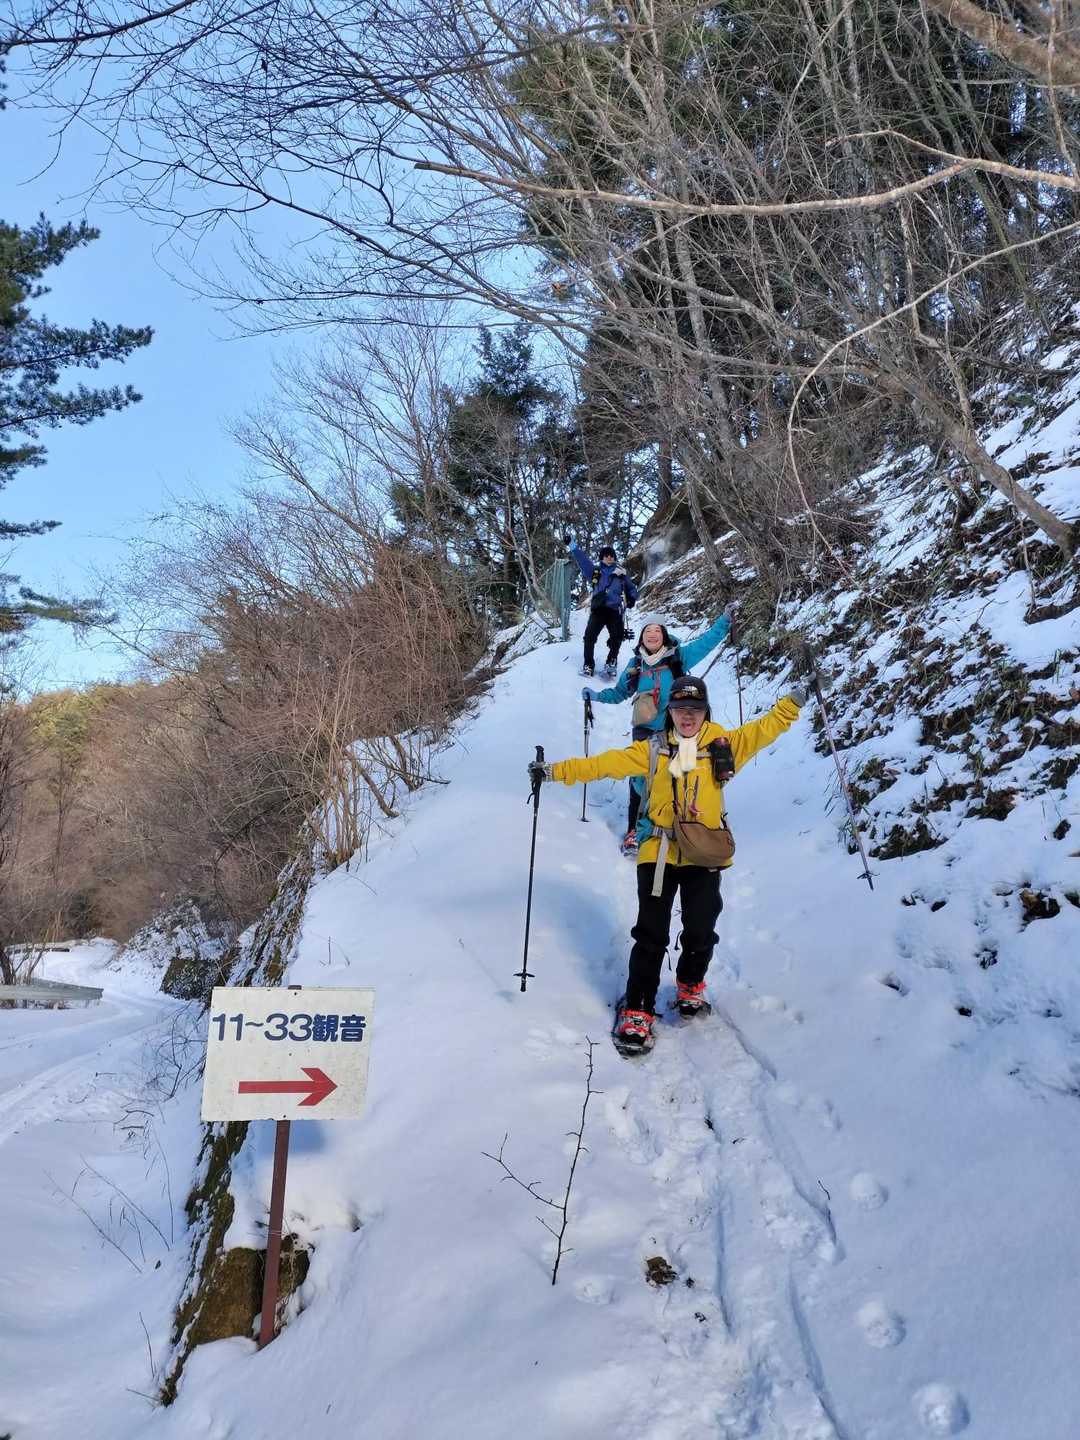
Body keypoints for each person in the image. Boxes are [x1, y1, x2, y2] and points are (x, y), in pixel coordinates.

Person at [528, 672, 806, 1053]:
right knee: (651, 932)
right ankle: (638, 1007)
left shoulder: (724, 746)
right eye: (680, 708)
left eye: (695, 708)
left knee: (701, 927)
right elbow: (604, 764)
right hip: (658, 851)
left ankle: (690, 984)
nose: (687, 715)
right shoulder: (654, 749)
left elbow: (766, 728)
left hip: (703, 852)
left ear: (705, 711)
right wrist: (553, 772)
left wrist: (795, 700)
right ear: (670, 711)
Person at [582, 612, 732, 856]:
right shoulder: (635, 665)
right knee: (640, 778)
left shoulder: (678, 657)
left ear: (664, 635)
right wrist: (597, 696)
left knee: (679, 776)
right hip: (645, 730)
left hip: (678, 730)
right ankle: (635, 830)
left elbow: (706, 643)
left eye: (657, 630)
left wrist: (724, 622)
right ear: (642, 636)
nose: (652, 634)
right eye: (647, 631)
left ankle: (680, 827)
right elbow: (620, 693)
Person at [565, 532, 638, 678]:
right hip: (599, 609)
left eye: (611, 555)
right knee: (589, 637)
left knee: (617, 637)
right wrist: (572, 545)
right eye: (606, 555)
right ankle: (588, 665)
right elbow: (583, 560)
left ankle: (611, 663)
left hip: (615, 610)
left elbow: (631, 588)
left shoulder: (621, 574)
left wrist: (632, 598)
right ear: (602, 558)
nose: (609, 557)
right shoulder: (595, 572)